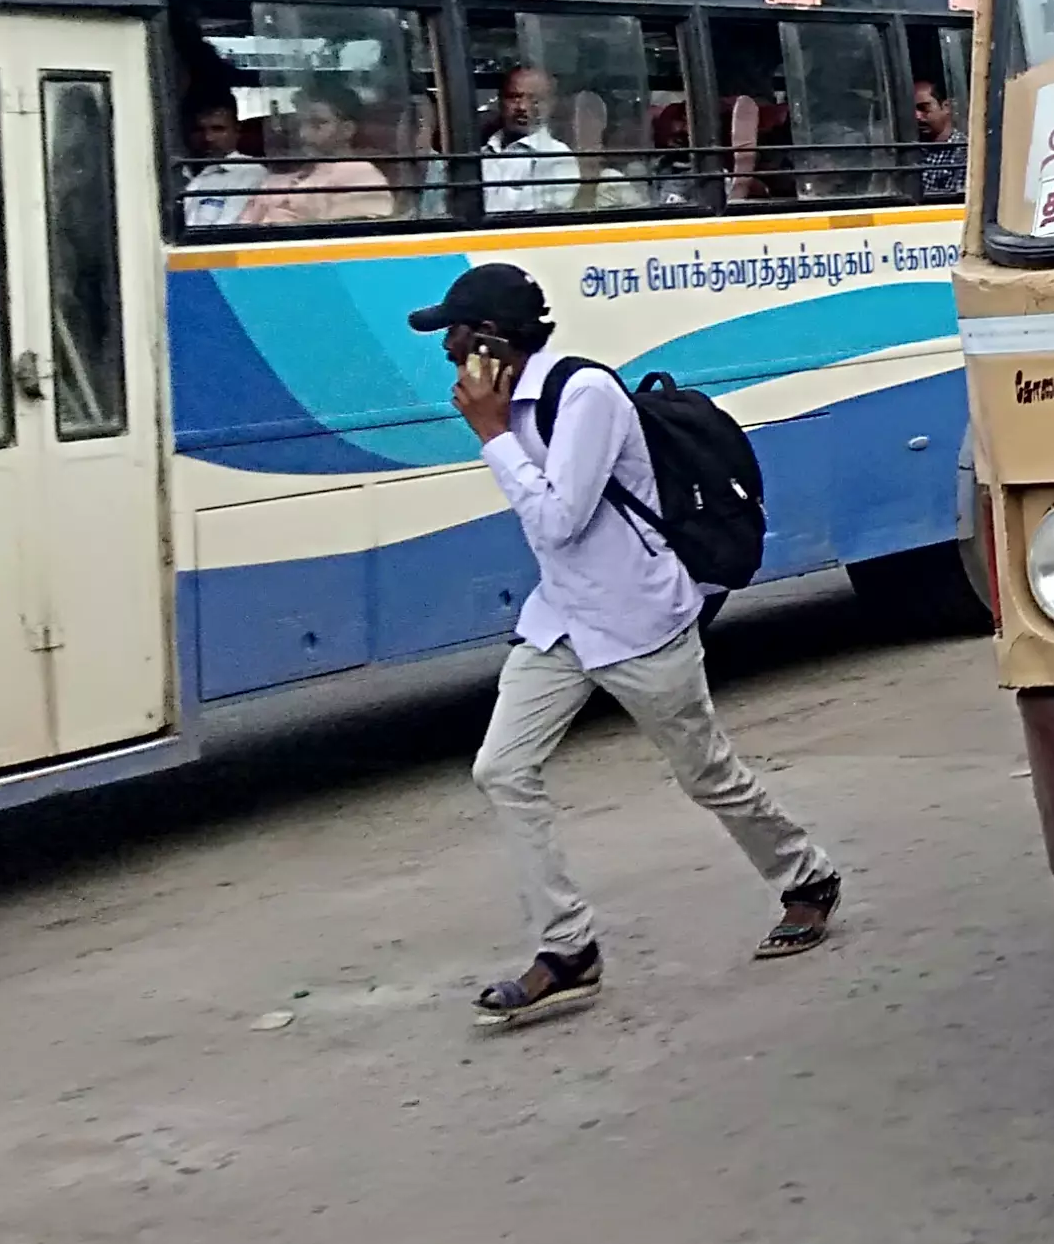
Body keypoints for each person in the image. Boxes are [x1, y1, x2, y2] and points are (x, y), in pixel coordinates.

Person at [411, 258, 843, 1026]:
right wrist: (498, 427)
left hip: (640, 620)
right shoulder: (512, 402)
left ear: (493, 339)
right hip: (561, 620)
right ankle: (567, 949)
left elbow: (559, 520)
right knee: (501, 769)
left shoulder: (585, 395)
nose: (446, 352)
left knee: (706, 773)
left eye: (455, 336)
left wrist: (492, 436)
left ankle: (806, 876)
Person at [235, 83, 395, 226]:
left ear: (347, 129)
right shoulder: (281, 177)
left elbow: (347, 238)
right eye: (299, 123)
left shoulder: (358, 174)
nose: (303, 134)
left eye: (317, 123)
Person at [481, 61, 580, 217]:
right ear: (500, 101)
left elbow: (534, 221)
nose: (522, 107)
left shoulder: (558, 158)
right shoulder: (481, 153)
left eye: (535, 100)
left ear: (551, 105)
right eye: (514, 97)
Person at [181, 98, 270, 223]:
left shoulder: (250, 173)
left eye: (218, 129)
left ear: (237, 131)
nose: (208, 138)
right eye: (199, 130)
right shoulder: (178, 171)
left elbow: (229, 228)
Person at [910, 71, 964, 203]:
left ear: (946, 107)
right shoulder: (910, 152)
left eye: (924, 108)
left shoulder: (963, 153)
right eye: (912, 110)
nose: (917, 116)